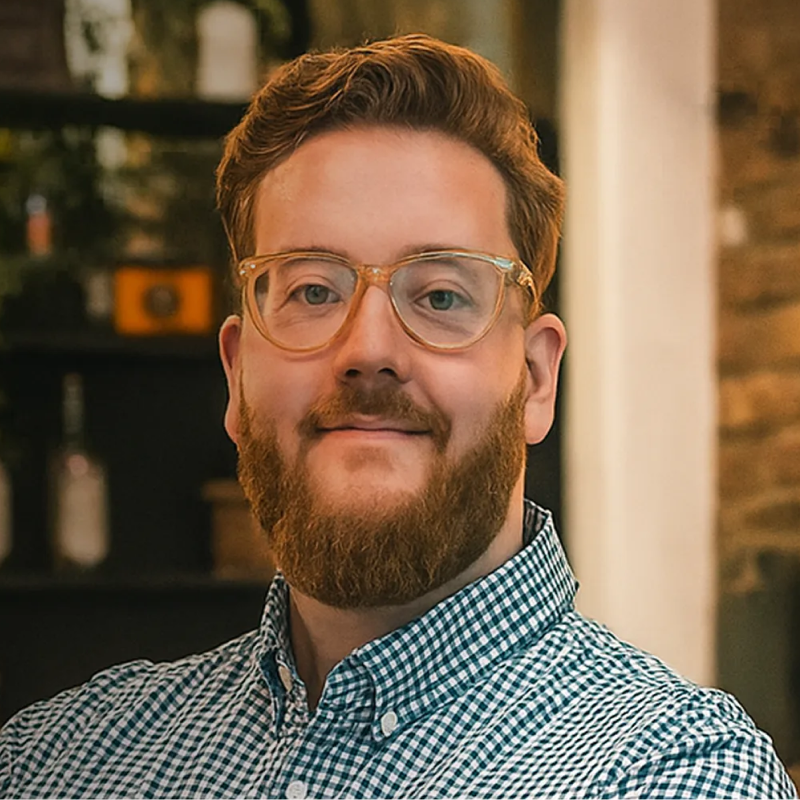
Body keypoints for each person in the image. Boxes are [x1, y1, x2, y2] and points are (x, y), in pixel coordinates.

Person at [0, 33, 795, 800]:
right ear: (237, 376)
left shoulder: (672, 775)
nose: (368, 347)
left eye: (442, 295)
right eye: (312, 289)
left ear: (535, 378)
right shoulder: (58, 760)